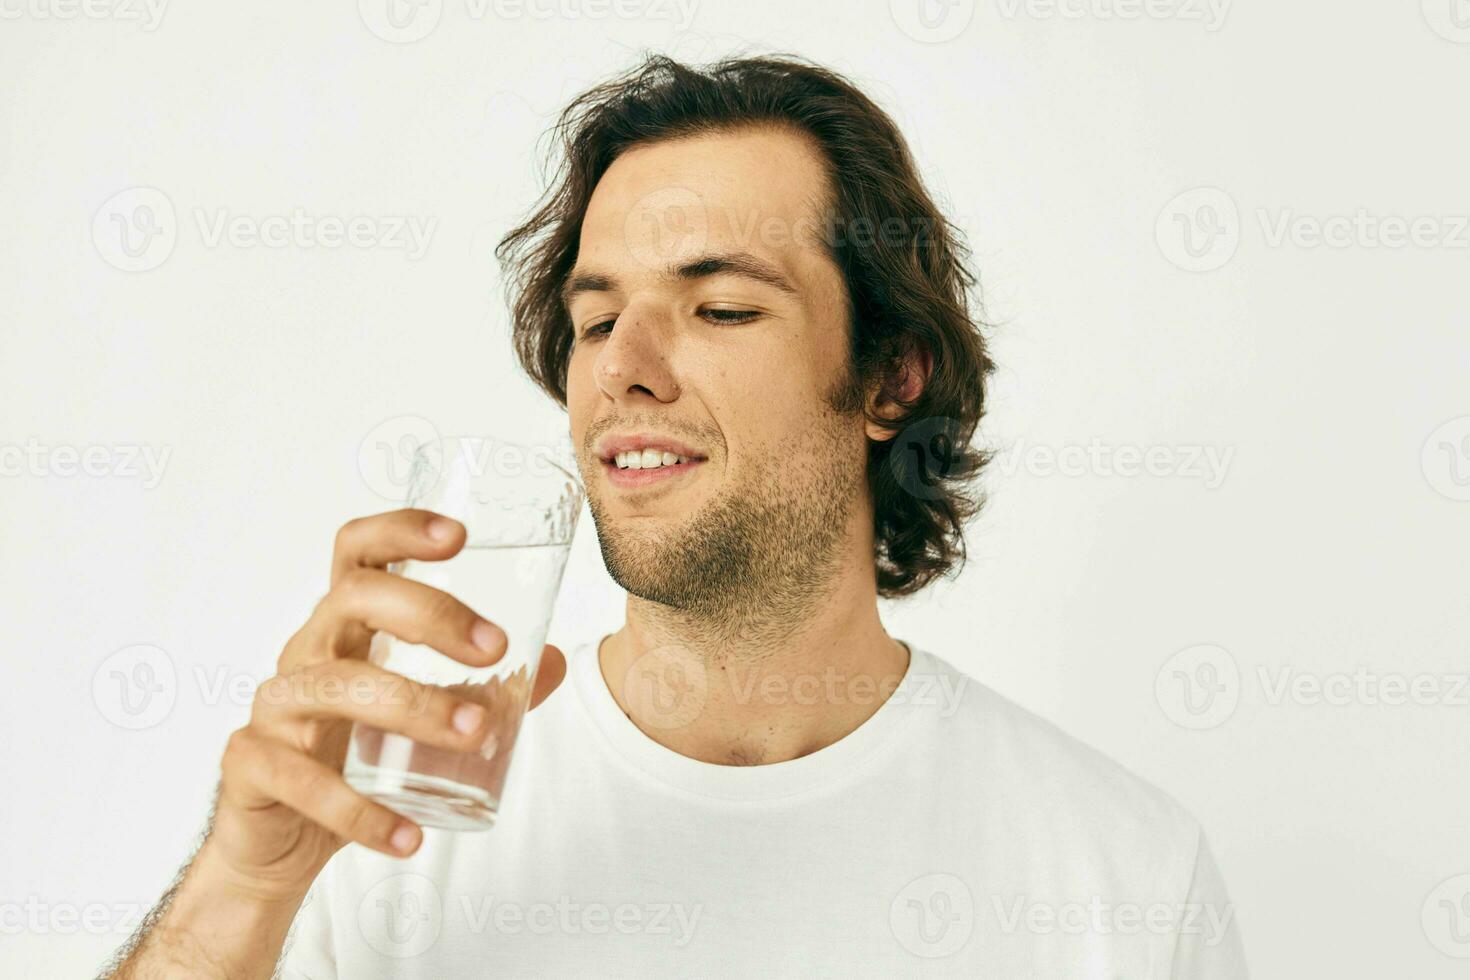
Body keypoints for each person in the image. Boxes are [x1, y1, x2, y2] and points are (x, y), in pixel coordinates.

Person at [103, 52, 1249, 978]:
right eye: (597, 321)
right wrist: (242, 890)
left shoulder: (1123, 876)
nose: (624, 370)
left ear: (892, 377)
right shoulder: (376, 818)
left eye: (721, 306)